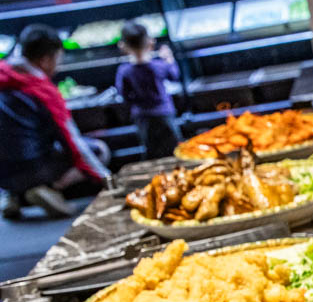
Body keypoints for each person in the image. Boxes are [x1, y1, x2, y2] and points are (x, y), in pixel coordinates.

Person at [0, 24, 111, 219]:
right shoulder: (44, 93)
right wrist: (107, 179)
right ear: (45, 60)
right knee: (99, 150)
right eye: (58, 58)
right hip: (34, 169)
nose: (58, 65)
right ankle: (48, 189)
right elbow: (74, 143)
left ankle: (12, 196)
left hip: (3, 174)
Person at [117, 21, 182, 161]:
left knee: (151, 151)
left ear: (123, 46)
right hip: (164, 112)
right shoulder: (159, 66)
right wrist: (169, 58)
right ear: (150, 43)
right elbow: (174, 75)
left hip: (142, 116)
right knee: (175, 149)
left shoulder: (124, 71)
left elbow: (124, 95)